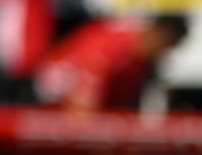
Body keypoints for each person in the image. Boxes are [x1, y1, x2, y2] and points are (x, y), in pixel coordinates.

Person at [33, 14, 189, 112]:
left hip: (76, 106)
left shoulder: (143, 61)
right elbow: (83, 105)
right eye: (167, 46)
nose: (165, 53)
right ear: (158, 34)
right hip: (46, 99)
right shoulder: (121, 45)